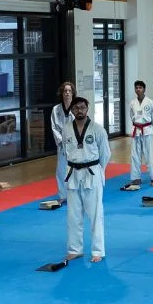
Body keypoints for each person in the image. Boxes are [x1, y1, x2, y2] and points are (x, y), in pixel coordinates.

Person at [63, 97, 112, 262]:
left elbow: (105, 154)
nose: (79, 110)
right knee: (73, 214)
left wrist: (98, 171)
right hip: (73, 173)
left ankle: (98, 251)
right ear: (72, 110)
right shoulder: (66, 129)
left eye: (82, 107)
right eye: (76, 108)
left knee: (95, 213)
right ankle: (75, 249)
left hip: (92, 172)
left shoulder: (98, 129)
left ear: (87, 109)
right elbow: (65, 151)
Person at [121, 80, 153, 191]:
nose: (138, 89)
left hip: (147, 129)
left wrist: (150, 127)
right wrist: (136, 123)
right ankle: (136, 178)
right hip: (136, 129)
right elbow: (131, 115)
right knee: (135, 155)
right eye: (136, 87)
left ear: (144, 89)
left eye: (140, 87)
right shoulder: (132, 103)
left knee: (148, 154)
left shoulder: (150, 102)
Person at [51, 81, 76, 205]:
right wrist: (61, 140)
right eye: (65, 91)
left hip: (74, 143)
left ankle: (75, 195)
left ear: (72, 93)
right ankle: (62, 195)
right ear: (62, 93)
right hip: (61, 144)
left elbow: (80, 126)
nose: (67, 93)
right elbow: (54, 127)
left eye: (69, 91)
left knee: (75, 169)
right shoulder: (56, 110)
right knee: (61, 170)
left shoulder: (76, 108)